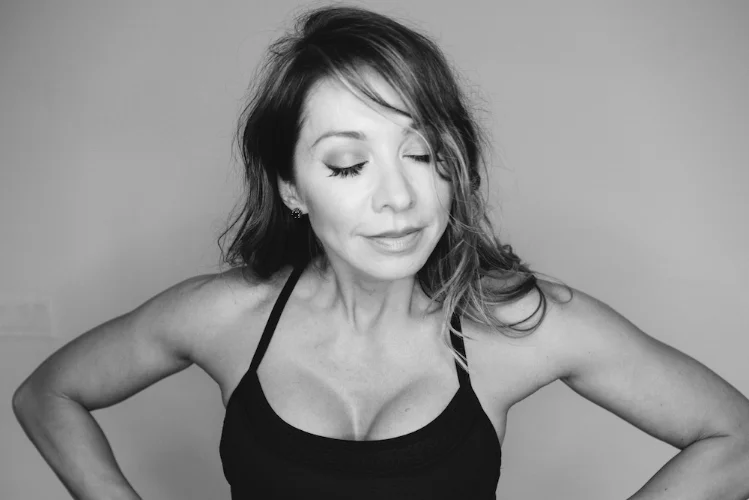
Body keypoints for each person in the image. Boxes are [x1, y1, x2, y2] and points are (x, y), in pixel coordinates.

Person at [11, 5, 749, 500]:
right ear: (292, 188)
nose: (399, 197)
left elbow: (734, 438)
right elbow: (46, 394)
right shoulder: (224, 316)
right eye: (347, 165)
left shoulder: (512, 325)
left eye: (423, 154)